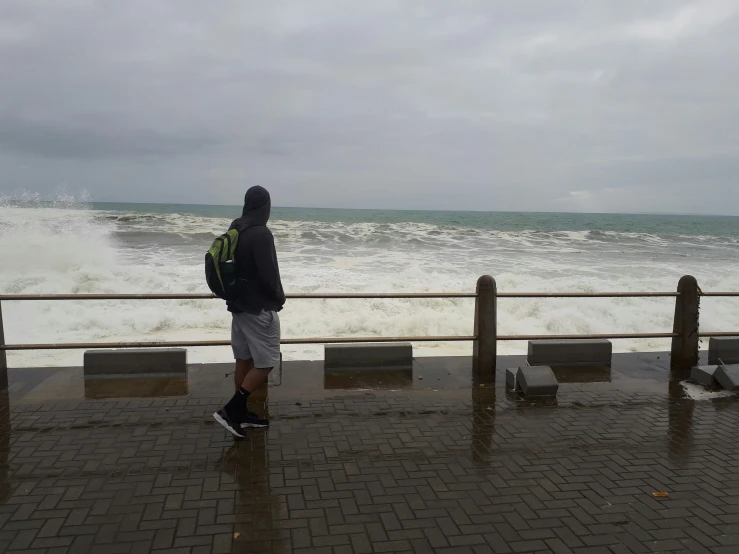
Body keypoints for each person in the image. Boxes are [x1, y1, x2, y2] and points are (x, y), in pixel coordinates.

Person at [213, 186, 285, 438]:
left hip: (239, 305)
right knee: (267, 363)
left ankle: (240, 414)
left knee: (244, 359)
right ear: (265, 205)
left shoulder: (237, 228)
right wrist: (278, 298)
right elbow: (269, 275)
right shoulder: (261, 233)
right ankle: (232, 410)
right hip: (258, 307)